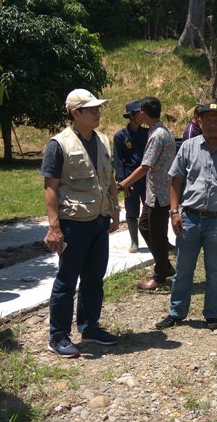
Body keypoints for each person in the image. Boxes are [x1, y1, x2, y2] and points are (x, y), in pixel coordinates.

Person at [155, 103, 217, 330]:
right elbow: (176, 181)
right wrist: (174, 212)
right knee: (183, 269)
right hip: (189, 218)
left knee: (214, 271)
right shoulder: (188, 147)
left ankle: (211, 314)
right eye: (207, 119)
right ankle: (176, 312)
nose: (212, 124)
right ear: (199, 122)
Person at [41, 88, 121, 358]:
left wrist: (115, 209)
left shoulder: (103, 140)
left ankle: (89, 328)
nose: (98, 113)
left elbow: (110, 178)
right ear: (75, 113)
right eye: (91, 109)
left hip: (99, 220)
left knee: (94, 278)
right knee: (66, 280)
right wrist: (54, 227)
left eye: (98, 108)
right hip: (74, 223)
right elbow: (50, 187)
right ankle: (58, 336)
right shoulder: (59, 144)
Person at [119, 97, 176, 291]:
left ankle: (160, 276)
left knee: (157, 235)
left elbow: (145, 166)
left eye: (139, 112)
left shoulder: (157, 135)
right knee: (145, 226)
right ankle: (165, 265)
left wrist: (123, 184)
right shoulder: (157, 131)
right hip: (155, 193)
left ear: (143, 113)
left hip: (160, 194)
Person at [113, 100, 149, 253]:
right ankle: (134, 241)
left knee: (150, 209)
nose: (142, 115)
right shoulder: (120, 136)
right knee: (131, 210)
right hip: (130, 179)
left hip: (146, 177)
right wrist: (123, 182)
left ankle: (154, 239)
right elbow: (117, 160)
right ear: (131, 116)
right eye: (138, 113)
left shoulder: (147, 133)